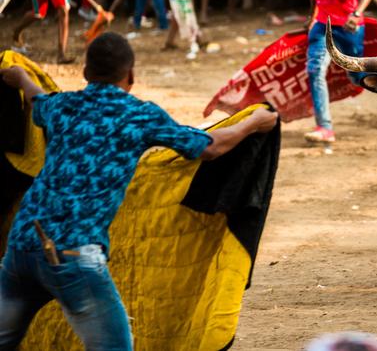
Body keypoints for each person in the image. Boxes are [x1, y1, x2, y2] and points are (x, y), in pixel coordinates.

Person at [0, 32, 278, 350]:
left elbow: (37, 97)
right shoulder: (138, 115)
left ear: (86, 73)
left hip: (21, 246)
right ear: (130, 75)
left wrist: (20, 76)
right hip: (74, 254)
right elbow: (211, 148)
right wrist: (253, 123)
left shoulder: (64, 106)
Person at [304, 0, 374, 143]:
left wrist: (356, 14)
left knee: (357, 77)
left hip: (348, 26)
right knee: (315, 70)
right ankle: (325, 128)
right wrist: (312, 15)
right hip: (323, 23)